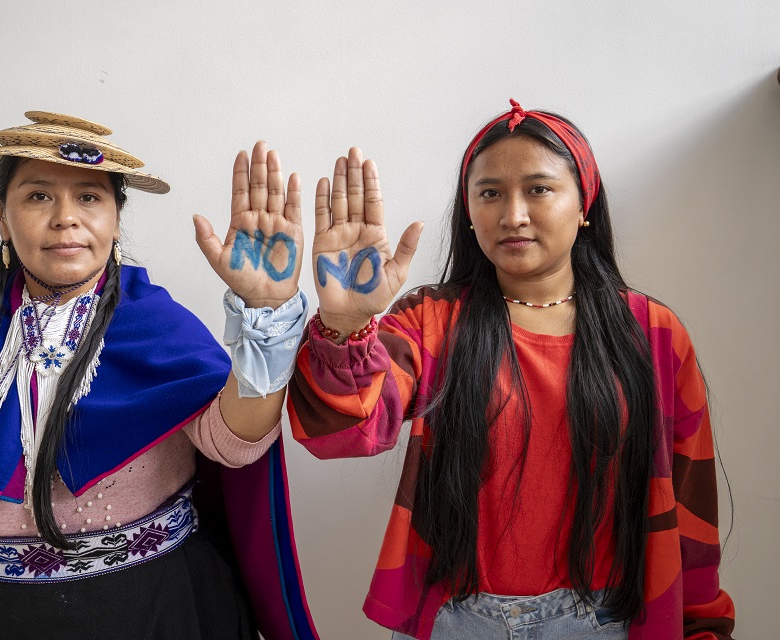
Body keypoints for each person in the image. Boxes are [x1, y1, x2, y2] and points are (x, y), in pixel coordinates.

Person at [0, 111, 318, 640]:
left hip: (162, 605)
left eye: (89, 197)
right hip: (3, 615)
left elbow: (235, 445)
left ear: (115, 216)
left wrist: (265, 318)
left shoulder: (158, 325)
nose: (67, 217)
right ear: (2, 215)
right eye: (38, 196)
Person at [287, 100, 735, 639]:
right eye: (490, 193)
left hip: (604, 621)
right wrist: (343, 325)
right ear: (469, 211)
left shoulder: (652, 333)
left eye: (539, 189)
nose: (512, 214)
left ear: (583, 204)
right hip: (456, 619)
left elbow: (690, 496)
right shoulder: (430, 319)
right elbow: (344, 432)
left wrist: (702, 625)